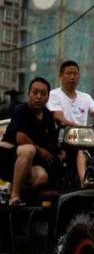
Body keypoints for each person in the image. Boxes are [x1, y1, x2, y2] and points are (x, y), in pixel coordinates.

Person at [0, 77, 63, 207]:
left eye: (43, 93)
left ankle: (22, 193)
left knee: (41, 176)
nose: (39, 96)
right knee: (29, 149)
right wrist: (41, 150)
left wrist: (60, 152)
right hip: (7, 156)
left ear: (47, 97)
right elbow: (20, 138)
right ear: (29, 93)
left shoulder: (47, 116)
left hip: (28, 162)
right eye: (35, 92)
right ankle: (14, 196)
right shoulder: (20, 110)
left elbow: (52, 141)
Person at [47, 60, 94, 185]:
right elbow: (58, 118)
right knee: (84, 146)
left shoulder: (85, 97)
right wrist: (83, 128)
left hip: (84, 137)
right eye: (68, 73)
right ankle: (84, 180)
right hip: (63, 138)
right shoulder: (54, 95)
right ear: (60, 76)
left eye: (75, 74)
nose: (72, 77)